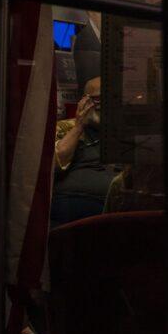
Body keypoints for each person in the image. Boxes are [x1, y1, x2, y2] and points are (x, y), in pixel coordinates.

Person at [51, 77, 121, 226]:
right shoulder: (66, 128)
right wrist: (79, 126)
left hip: (114, 206)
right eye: (100, 99)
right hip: (72, 203)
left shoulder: (125, 133)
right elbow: (53, 165)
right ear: (84, 101)